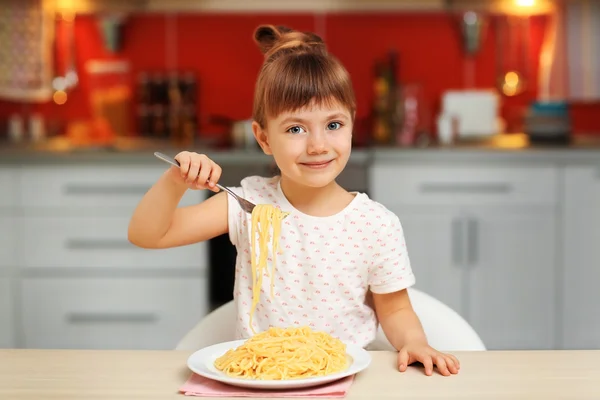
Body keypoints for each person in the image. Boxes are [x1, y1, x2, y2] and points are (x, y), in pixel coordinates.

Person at [128, 24, 460, 376]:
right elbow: (149, 234)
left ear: (351, 123)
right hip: (259, 377)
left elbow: (394, 311)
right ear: (264, 137)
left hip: (341, 377)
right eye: (295, 129)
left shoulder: (375, 224)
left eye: (333, 125)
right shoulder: (250, 205)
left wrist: (414, 342)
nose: (317, 145)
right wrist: (175, 181)